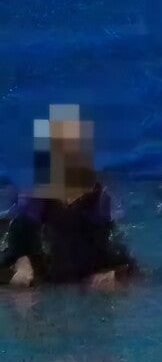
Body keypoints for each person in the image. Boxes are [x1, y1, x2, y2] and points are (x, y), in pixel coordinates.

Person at [3, 107, 139, 287]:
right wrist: (22, 262)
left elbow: (124, 256)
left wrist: (116, 275)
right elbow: (18, 242)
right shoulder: (33, 198)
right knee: (20, 281)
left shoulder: (101, 200)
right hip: (44, 267)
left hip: (84, 264)